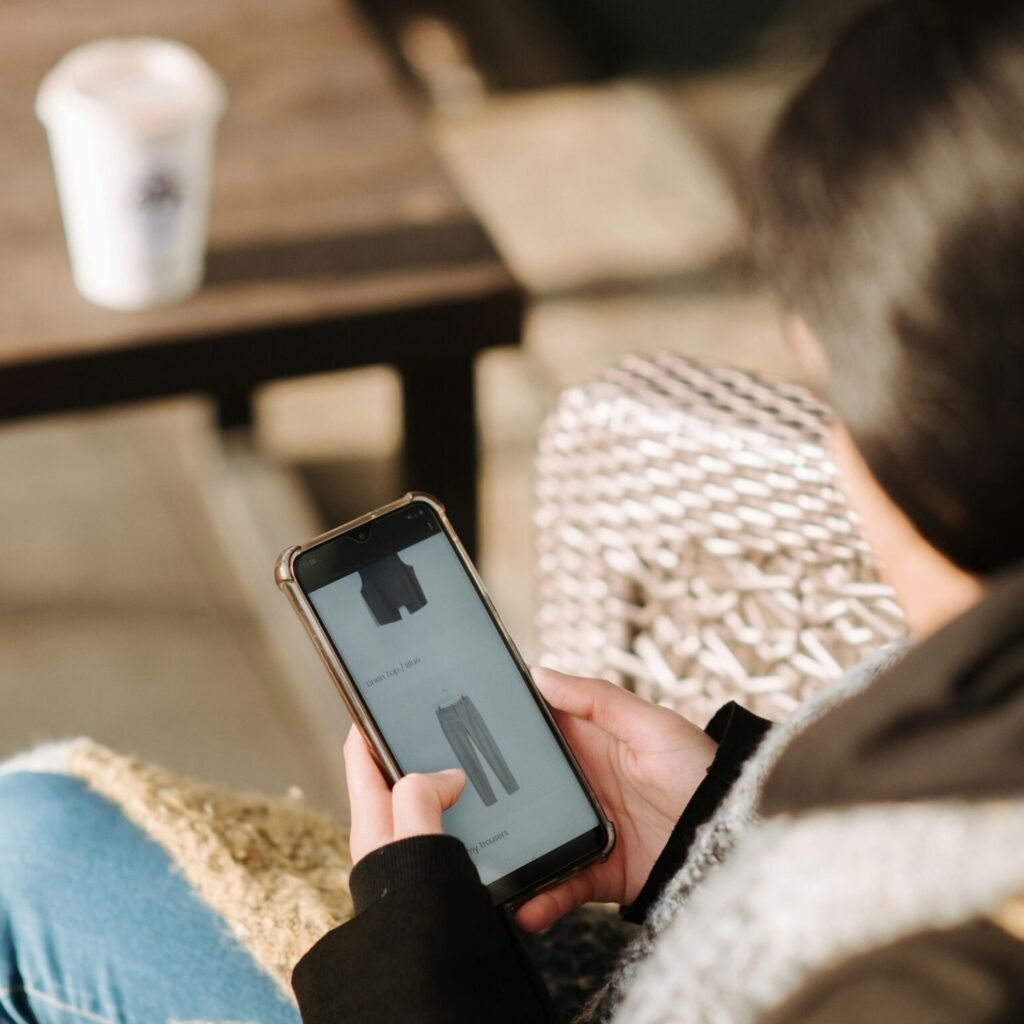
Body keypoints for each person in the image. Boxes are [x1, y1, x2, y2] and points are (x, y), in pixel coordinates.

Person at [3, 0, 1024, 1021]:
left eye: (833, 390)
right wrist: (708, 827)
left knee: (22, 862)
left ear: (943, 430)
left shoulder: (953, 977)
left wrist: (414, 971)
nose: (837, 453)